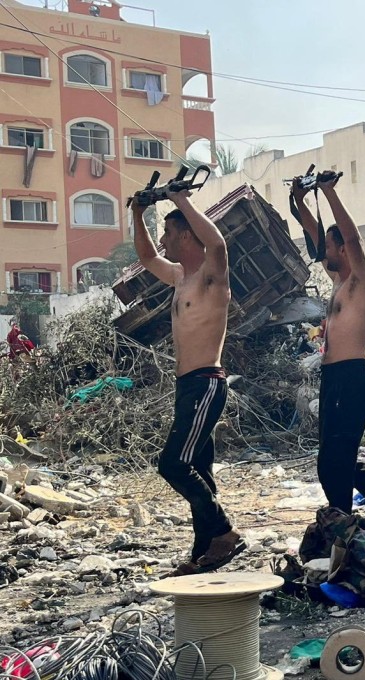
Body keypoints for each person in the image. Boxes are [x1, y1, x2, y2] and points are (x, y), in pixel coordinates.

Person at [131, 190, 244, 576]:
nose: (163, 241)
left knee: (173, 465)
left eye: (167, 233)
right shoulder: (180, 277)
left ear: (184, 236)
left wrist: (181, 200)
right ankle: (203, 554)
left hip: (206, 383)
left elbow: (217, 243)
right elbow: (147, 258)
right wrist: (138, 214)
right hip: (187, 386)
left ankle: (225, 531)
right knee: (198, 467)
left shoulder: (212, 277)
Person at [290, 176, 365, 514]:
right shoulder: (337, 279)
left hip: (353, 376)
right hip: (333, 378)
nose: (323, 251)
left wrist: (329, 192)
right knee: (339, 459)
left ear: (342, 250)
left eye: (329, 246)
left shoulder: (360, 280)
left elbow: (352, 238)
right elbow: (315, 235)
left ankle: (342, 520)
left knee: (333, 461)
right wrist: (300, 199)